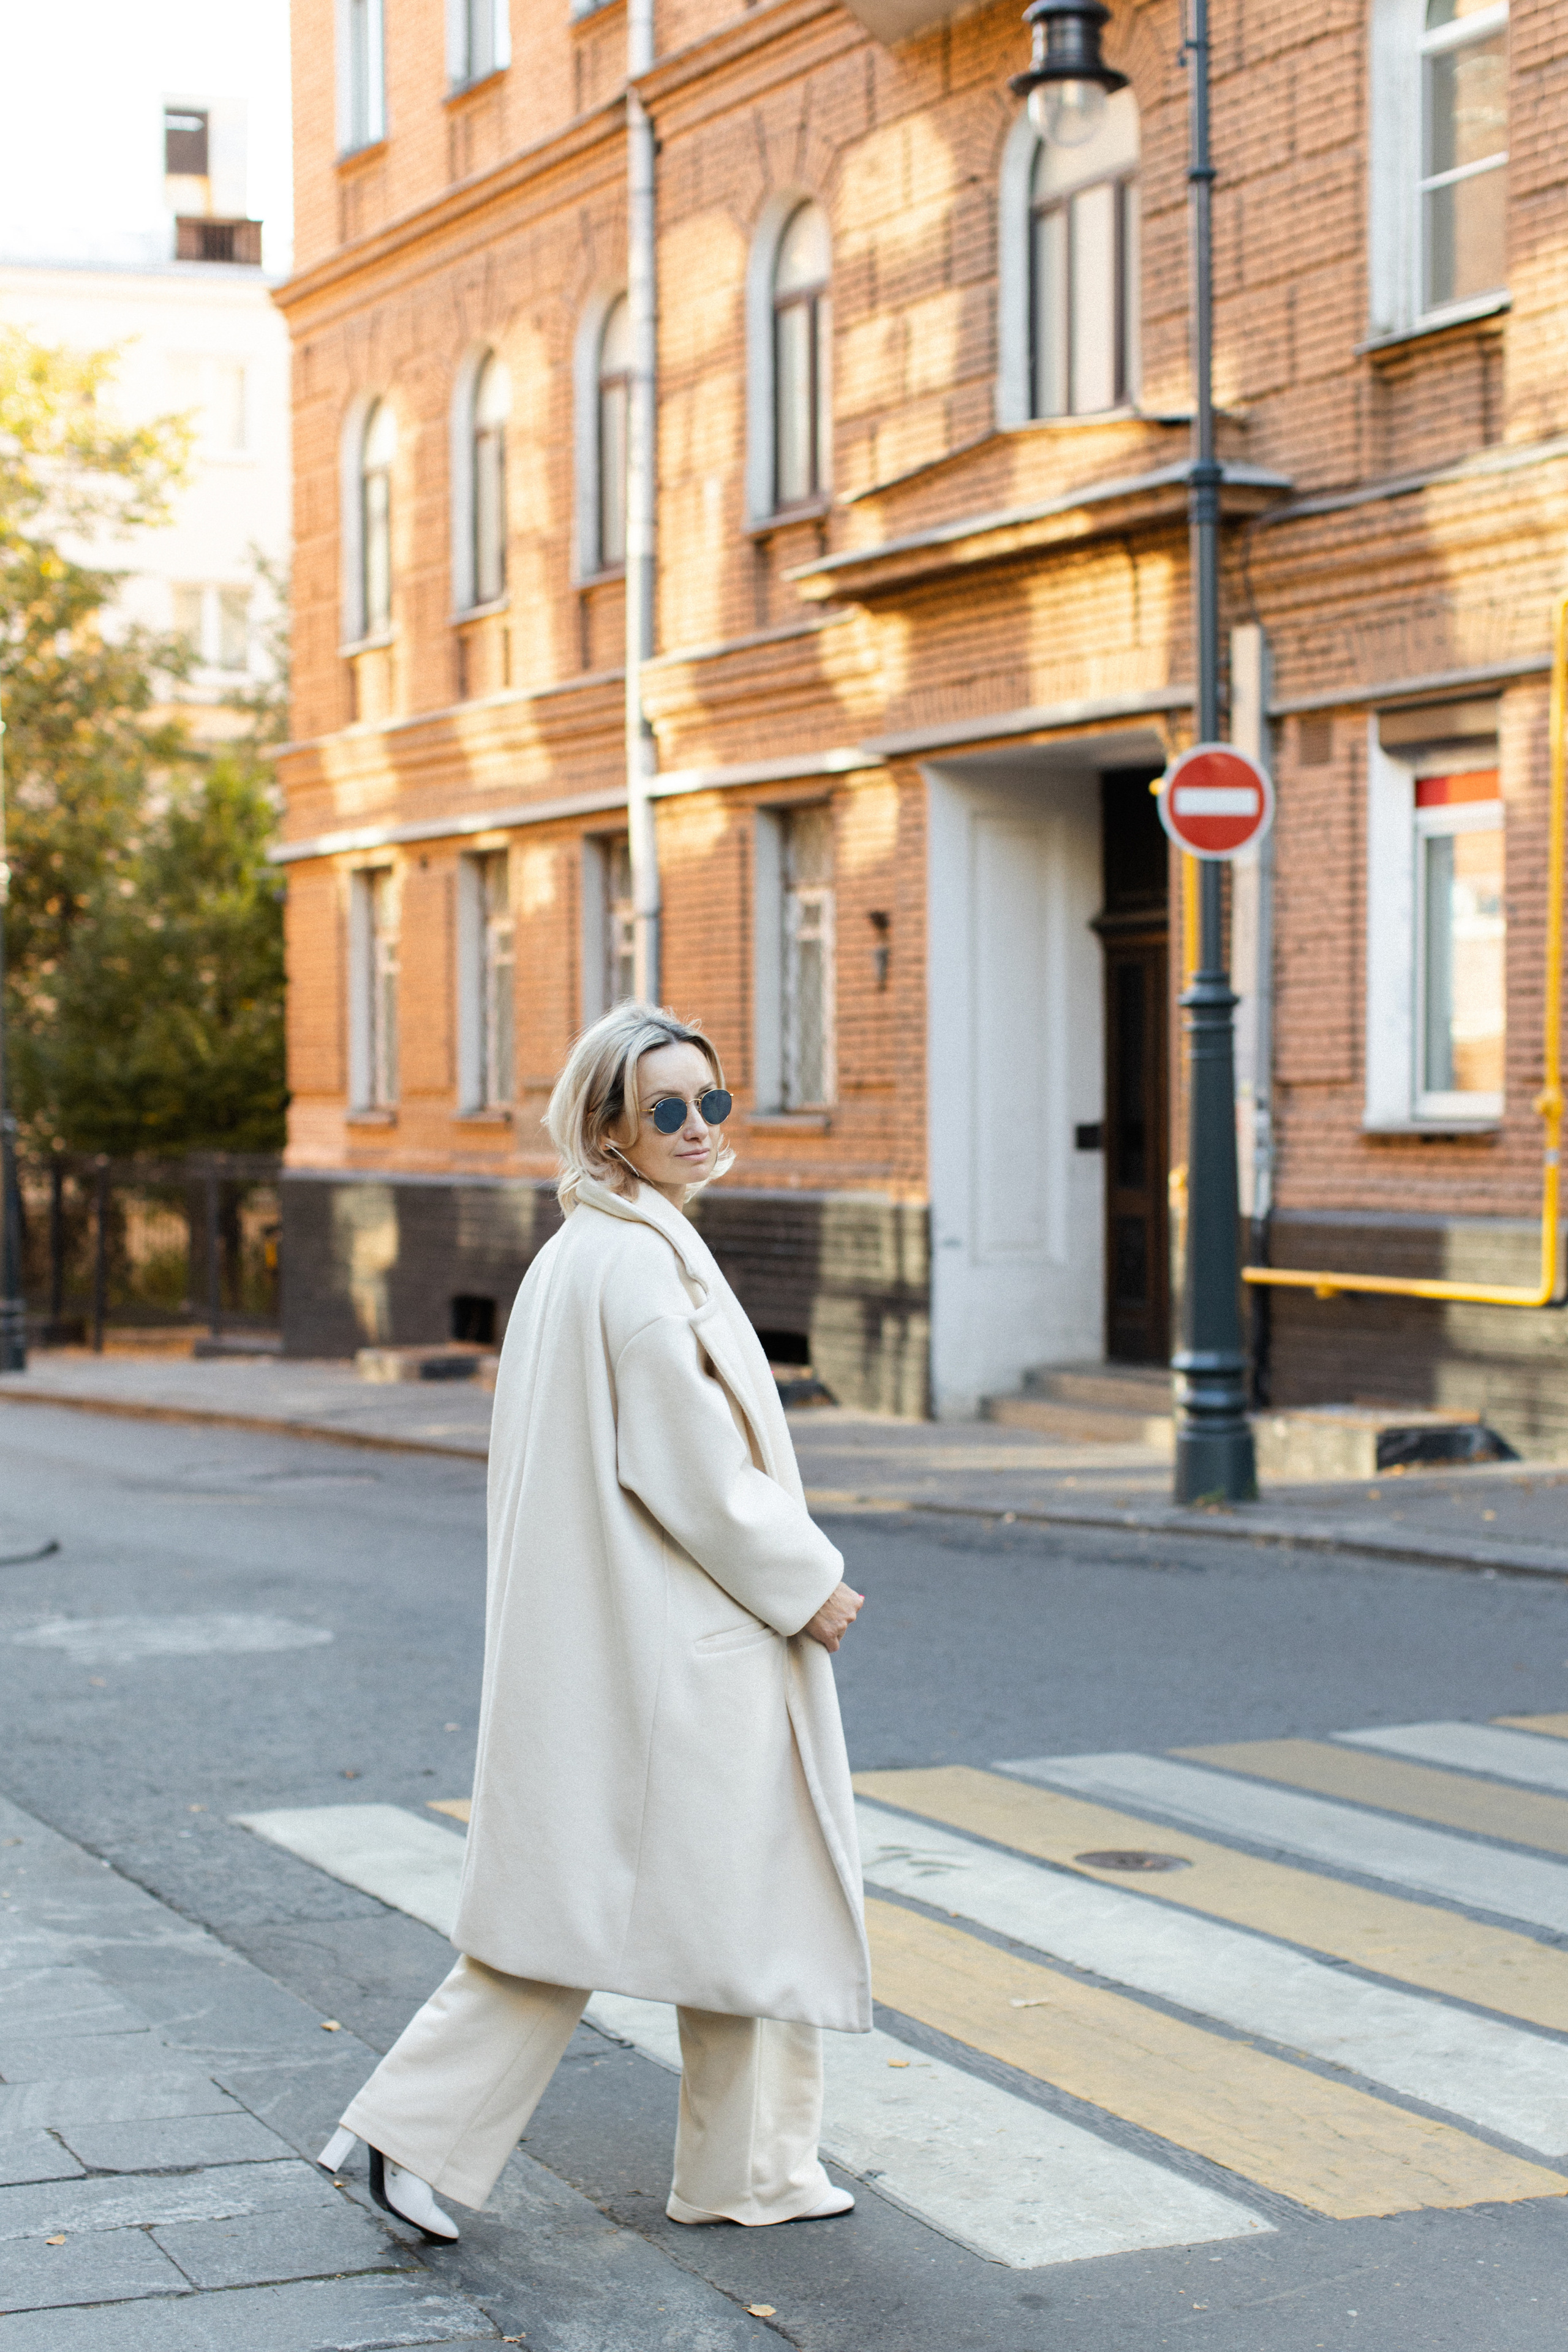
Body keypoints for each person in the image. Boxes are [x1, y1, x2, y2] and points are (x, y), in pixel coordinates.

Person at [318, 1002, 870, 2242]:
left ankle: (751, 2171)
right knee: (614, 1907)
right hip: (685, 1642)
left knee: (722, 1906)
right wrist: (806, 1583)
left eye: (709, 1102)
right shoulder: (634, 1264)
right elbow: (691, 1471)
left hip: (640, 1637)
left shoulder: (593, 1248)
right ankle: (413, 2135)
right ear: (609, 1126)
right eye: (663, 1109)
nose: (693, 1128)